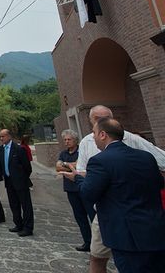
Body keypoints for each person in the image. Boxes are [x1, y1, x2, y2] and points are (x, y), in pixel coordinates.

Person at [62, 105, 165, 273]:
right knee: (98, 256)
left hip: (119, 223)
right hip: (151, 223)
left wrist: (78, 179)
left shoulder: (101, 159)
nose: (94, 135)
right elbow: (158, 183)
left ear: (103, 133)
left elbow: (88, 192)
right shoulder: (145, 157)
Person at [56, 129, 93, 252]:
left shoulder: (81, 151)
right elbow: (58, 167)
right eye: (65, 140)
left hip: (83, 188)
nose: (66, 142)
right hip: (70, 189)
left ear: (75, 140)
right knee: (80, 216)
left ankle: (100, 241)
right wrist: (70, 165)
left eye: (69, 139)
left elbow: (79, 164)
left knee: (92, 215)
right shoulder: (63, 153)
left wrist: (65, 164)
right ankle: (87, 241)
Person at [0, 129, 34, 237]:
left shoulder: (19, 149)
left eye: (3, 136)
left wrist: (22, 177)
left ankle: (28, 228)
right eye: (0, 137)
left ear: (9, 136)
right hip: (9, 181)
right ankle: (18, 224)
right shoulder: (1, 149)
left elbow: (27, 167)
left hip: (20, 181)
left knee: (25, 205)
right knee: (14, 204)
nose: (1, 139)